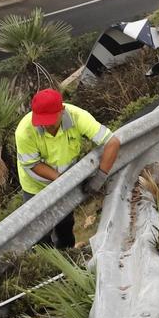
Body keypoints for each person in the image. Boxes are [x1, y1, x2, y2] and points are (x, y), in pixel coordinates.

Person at [13, 87, 121, 249]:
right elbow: (33, 164)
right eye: (41, 119)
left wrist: (99, 178)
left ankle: (67, 255)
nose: (45, 124)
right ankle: (46, 266)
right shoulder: (25, 131)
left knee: (65, 223)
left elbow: (112, 142)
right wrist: (60, 179)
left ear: (62, 110)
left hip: (66, 181)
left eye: (50, 119)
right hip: (36, 187)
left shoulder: (78, 117)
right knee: (39, 232)